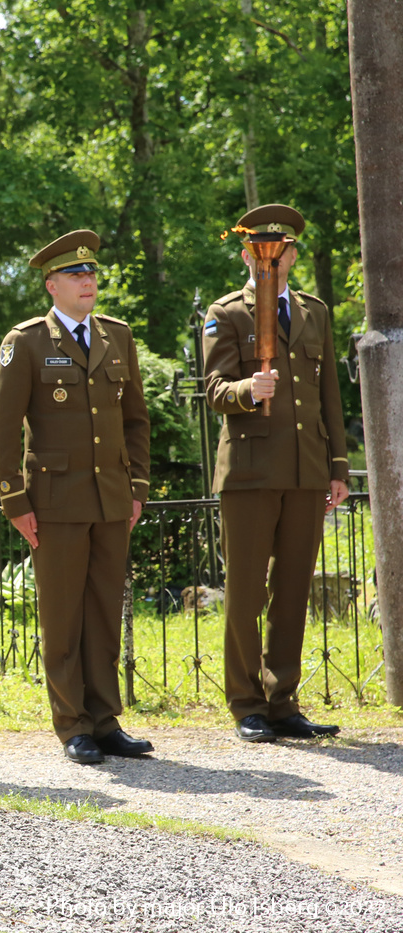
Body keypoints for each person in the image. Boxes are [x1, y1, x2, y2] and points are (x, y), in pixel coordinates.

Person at [0, 230, 154, 765]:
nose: (87, 281)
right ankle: (73, 725)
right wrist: (15, 501)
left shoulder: (117, 337)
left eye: (91, 273)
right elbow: (2, 428)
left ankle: (105, 721)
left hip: (111, 500)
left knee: (104, 613)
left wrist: (137, 489)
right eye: (75, 274)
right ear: (51, 285)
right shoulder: (27, 341)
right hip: (54, 503)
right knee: (62, 616)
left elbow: (136, 421)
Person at [203, 204, 347, 742]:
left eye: (280, 249)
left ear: (291, 255)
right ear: (247, 256)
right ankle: (247, 704)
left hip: (306, 469)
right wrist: (247, 390)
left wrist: (337, 466)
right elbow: (214, 389)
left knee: (292, 590)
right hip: (249, 472)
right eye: (261, 250)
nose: (272, 258)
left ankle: (282, 701)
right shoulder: (226, 313)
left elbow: (329, 394)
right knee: (246, 591)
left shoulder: (315, 312)